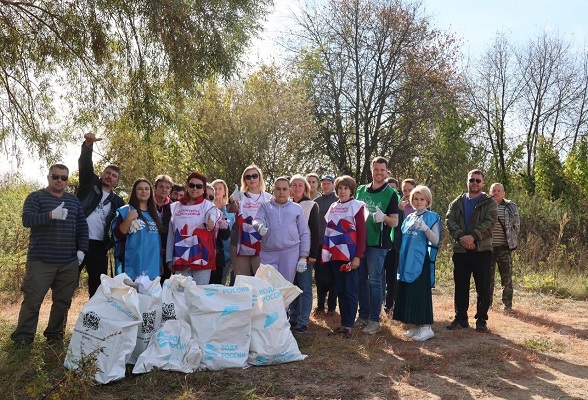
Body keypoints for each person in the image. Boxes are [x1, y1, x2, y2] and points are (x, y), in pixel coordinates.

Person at [11, 164, 89, 348]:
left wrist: (81, 251)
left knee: (62, 302)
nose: (59, 180)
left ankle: (55, 335)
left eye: (64, 178)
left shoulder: (73, 201)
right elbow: (27, 220)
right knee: (32, 301)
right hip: (40, 261)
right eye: (56, 176)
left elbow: (83, 227)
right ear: (48, 177)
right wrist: (50, 215)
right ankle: (23, 337)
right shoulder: (35, 197)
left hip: (68, 261)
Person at [446, 169, 497, 332]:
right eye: (472, 180)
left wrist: (473, 237)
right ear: (467, 181)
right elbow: (449, 220)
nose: (474, 183)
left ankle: (481, 319)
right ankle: (461, 318)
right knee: (461, 286)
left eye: (478, 181)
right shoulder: (457, 202)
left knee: (483, 286)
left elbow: (489, 223)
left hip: (481, 250)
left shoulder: (489, 202)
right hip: (461, 250)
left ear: (483, 183)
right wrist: (463, 237)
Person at [355, 157, 399, 335]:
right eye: (376, 169)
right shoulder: (360, 191)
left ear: (387, 171)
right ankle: (363, 316)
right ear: (371, 170)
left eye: (382, 170)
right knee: (360, 281)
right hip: (359, 243)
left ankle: (374, 320)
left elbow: (395, 222)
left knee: (374, 281)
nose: (379, 173)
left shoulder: (390, 194)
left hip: (378, 244)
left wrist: (384, 218)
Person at [77, 132, 124, 298]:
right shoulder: (89, 183)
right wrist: (88, 146)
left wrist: (110, 244)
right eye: (108, 173)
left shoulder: (118, 201)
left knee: (97, 288)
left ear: (117, 182)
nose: (110, 177)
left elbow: (120, 225)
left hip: (98, 246)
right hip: (77, 241)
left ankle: (92, 322)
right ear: (102, 173)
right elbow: (85, 164)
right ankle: (59, 323)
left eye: (114, 176)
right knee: (67, 282)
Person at [393, 186, 441, 341]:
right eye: (415, 198)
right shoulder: (409, 217)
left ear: (427, 200)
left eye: (421, 199)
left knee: (420, 293)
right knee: (411, 293)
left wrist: (425, 228)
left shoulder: (432, 216)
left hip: (421, 262)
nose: (418, 201)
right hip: (407, 260)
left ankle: (426, 327)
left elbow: (435, 239)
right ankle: (417, 325)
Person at [323, 175, 367, 339]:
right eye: (340, 188)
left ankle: (349, 325)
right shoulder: (333, 207)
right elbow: (328, 230)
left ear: (351, 190)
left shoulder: (356, 206)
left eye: (346, 188)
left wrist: (357, 257)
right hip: (335, 254)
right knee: (340, 289)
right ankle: (343, 323)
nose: (342, 191)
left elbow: (362, 234)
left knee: (350, 290)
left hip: (350, 255)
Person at [166, 172, 228, 284]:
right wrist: (169, 259)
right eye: (191, 185)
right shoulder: (176, 207)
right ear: (187, 187)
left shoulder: (208, 205)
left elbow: (212, 215)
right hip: (181, 258)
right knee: (181, 295)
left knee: (199, 295)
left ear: (203, 189)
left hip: (202, 258)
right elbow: (171, 234)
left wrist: (211, 222)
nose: (195, 188)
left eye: (199, 186)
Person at [252, 177, 310, 284]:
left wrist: (303, 257)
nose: (281, 192)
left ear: (289, 190)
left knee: (285, 288)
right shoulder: (265, 206)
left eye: (284, 189)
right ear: (273, 190)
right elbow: (256, 220)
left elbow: (304, 233)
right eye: (278, 189)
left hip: (290, 254)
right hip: (268, 253)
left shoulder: (296, 208)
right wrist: (259, 226)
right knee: (267, 288)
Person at [112, 179, 163, 280]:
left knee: (151, 295)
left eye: (146, 189)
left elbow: (159, 241)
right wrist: (129, 219)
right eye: (140, 189)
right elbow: (117, 235)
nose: (144, 191)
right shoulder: (125, 211)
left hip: (153, 265)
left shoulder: (156, 215)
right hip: (131, 265)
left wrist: (160, 262)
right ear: (134, 192)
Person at [288, 174, 320, 333]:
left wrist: (312, 254)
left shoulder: (310, 205)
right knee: (292, 286)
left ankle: (303, 320)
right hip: (288, 254)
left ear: (305, 188)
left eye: (300, 185)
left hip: (305, 254)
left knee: (305, 287)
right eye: (294, 185)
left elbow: (315, 231)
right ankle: (292, 318)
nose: (297, 188)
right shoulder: (286, 204)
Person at [227, 165, 272, 276]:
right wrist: (232, 199)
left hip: (262, 244)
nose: (252, 179)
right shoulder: (240, 196)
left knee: (262, 279)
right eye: (248, 177)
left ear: (259, 178)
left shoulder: (269, 197)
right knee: (243, 281)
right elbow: (230, 209)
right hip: (241, 244)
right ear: (245, 180)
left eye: (254, 176)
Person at [489, 182, 520, 312]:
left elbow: (516, 225)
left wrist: (511, 240)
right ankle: (486, 304)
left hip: (503, 247)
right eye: (493, 190)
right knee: (487, 278)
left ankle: (507, 306)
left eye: (498, 191)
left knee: (506, 278)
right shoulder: (485, 205)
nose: (496, 193)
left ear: (503, 193)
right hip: (487, 248)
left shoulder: (510, 206)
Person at [313, 174, 339, 316]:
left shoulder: (338, 201)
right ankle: (320, 305)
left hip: (334, 245)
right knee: (319, 276)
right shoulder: (315, 202)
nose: (326, 185)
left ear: (333, 185)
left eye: (328, 183)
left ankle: (331, 307)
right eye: (323, 183)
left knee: (334, 276)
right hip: (319, 245)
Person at [209, 179, 235, 285]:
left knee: (221, 284)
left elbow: (232, 232)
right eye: (214, 188)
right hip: (209, 253)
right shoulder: (206, 207)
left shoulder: (230, 210)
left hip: (226, 255)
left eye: (220, 188)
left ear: (225, 191)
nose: (217, 191)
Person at [384, 176, 403, 313]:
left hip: (396, 246)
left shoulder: (401, 205)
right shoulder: (383, 202)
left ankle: (392, 305)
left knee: (393, 278)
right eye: (388, 187)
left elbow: (399, 225)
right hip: (383, 245)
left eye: (393, 187)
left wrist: (399, 210)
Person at [155, 175, 174, 285]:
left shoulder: (173, 207)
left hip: (166, 250)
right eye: (161, 186)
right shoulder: (147, 204)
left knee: (164, 282)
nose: (164, 189)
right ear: (155, 188)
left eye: (167, 187)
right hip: (150, 250)